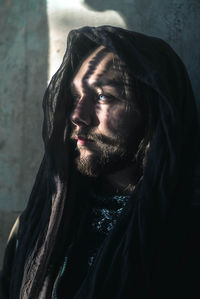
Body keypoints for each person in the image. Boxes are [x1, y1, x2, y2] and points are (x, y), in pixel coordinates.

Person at [0, 25, 200, 299]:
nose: (77, 115)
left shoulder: (183, 236)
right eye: (74, 97)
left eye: (104, 96)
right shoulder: (39, 224)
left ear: (153, 109)